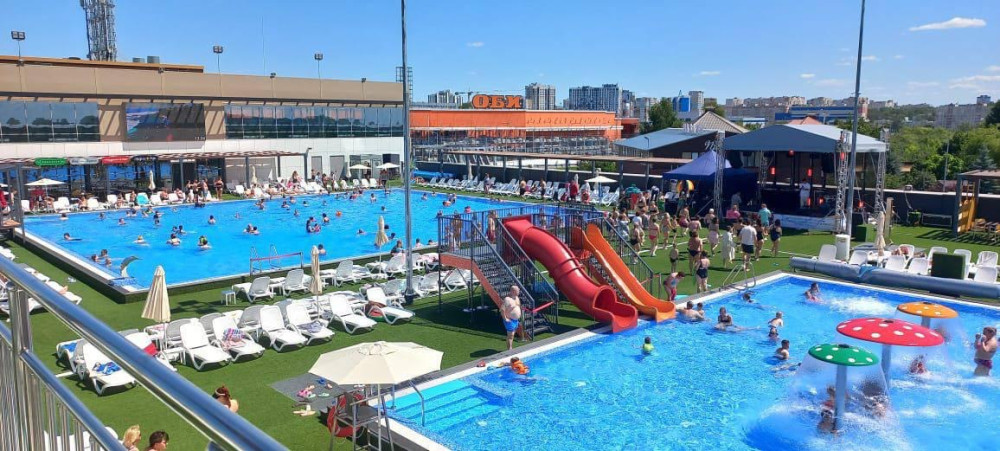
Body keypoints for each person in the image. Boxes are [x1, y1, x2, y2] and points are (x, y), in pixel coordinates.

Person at [502, 285, 525, 350]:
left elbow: (518, 306)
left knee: (512, 335)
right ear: (513, 291)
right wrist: (505, 318)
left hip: (515, 320)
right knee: (511, 335)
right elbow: (502, 310)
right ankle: (510, 349)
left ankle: (510, 348)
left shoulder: (517, 298)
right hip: (510, 320)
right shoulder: (507, 299)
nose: (519, 291)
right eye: (518, 290)